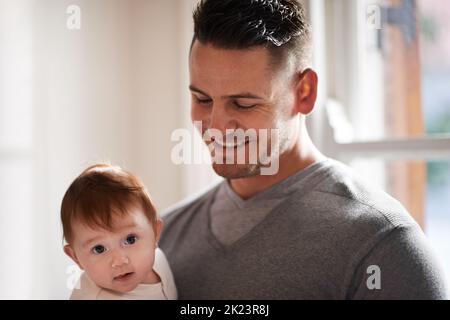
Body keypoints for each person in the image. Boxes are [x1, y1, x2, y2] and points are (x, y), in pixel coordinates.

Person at [159, 0, 448, 299]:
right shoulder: (160, 240)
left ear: (304, 93)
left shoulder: (382, 244)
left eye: (244, 103)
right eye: (202, 100)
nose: (216, 126)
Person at [61, 164, 177, 300]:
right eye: (99, 249)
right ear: (75, 257)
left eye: (130, 239)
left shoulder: (158, 259)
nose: (119, 261)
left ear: (155, 233)